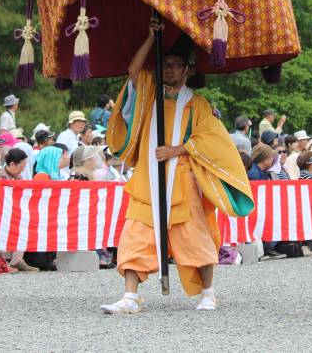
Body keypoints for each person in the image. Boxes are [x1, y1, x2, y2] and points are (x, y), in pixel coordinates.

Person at [101, 21, 254, 314]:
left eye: (176, 64)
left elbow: (211, 140)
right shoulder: (149, 95)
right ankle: (130, 297)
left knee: (195, 241)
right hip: (149, 177)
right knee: (135, 238)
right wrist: (149, 38)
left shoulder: (197, 104)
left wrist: (177, 149)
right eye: (166, 64)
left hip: (182, 180)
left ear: (188, 70)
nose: (169, 69)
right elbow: (134, 72)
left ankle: (208, 293)